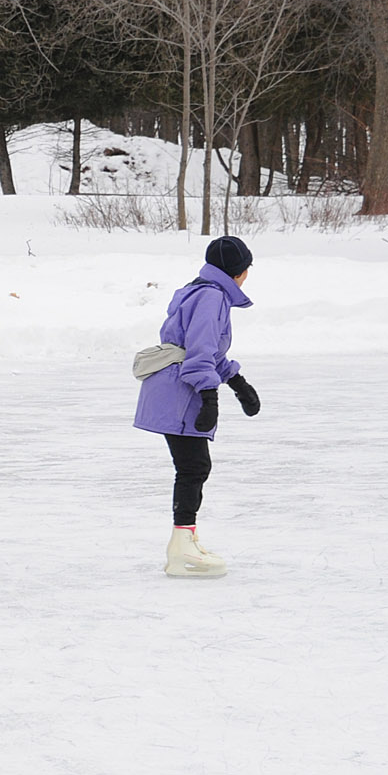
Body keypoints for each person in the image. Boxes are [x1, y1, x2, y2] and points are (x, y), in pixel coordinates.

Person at [134, 235, 262, 578]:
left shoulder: (204, 290)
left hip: (175, 385)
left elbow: (211, 354)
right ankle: (181, 547)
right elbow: (199, 353)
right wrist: (210, 396)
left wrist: (237, 382)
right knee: (193, 467)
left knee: (193, 466)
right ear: (238, 271)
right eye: (247, 267)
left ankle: (185, 538)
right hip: (179, 389)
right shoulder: (211, 297)